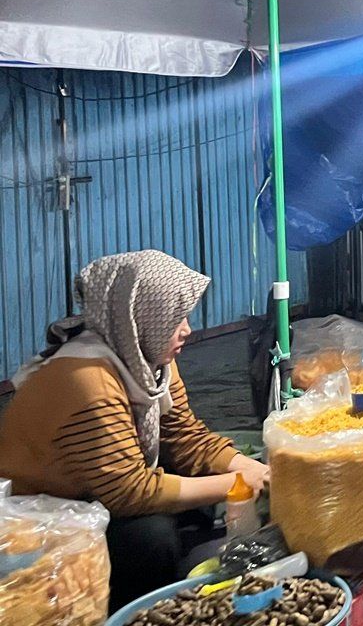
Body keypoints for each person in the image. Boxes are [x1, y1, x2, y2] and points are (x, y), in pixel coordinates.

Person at [0, 250, 270, 609]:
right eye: (175, 319)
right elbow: (128, 492)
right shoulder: (87, 381)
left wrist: (246, 466)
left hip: (96, 490)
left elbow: (185, 437)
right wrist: (235, 484)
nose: (187, 329)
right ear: (139, 317)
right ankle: (133, 610)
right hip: (41, 520)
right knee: (151, 538)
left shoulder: (149, 364)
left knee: (196, 491)